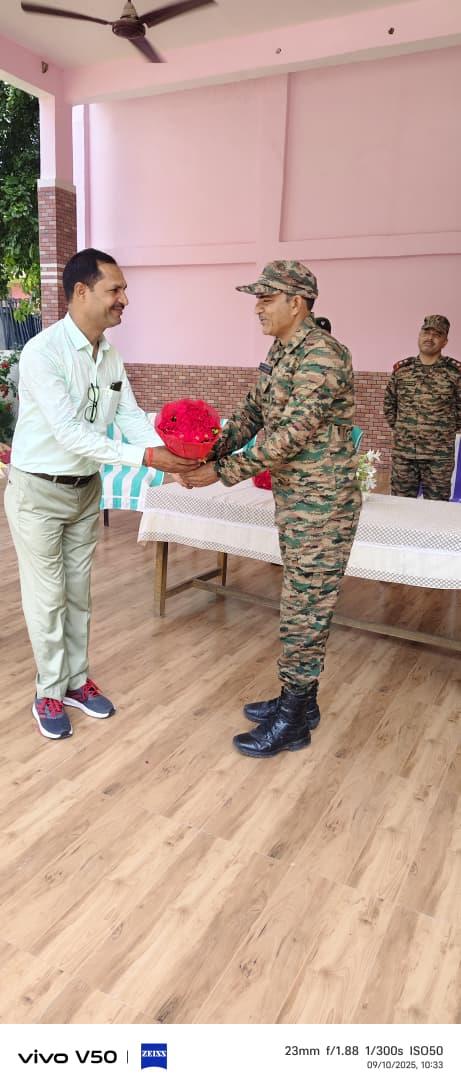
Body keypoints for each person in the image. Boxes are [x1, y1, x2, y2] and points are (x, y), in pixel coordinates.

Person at [4, 248, 199, 741]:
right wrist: (148, 459)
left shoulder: (109, 355)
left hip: (84, 490)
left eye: (124, 290)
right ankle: (48, 691)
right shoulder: (43, 353)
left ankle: (75, 681)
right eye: (115, 289)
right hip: (38, 493)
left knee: (78, 593)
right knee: (48, 598)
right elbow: (70, 433)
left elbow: (129, 416)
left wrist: (174, 459)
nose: (124, 299)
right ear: (81, 292)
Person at [179, 261, 361, 758]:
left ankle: (293, 720)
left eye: (266, 298)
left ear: (296, 303)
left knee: (305, 608)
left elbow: (290, 435)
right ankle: (302, 702)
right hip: (298, 501)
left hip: (323, 506)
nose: (257, 308)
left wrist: (222, 471)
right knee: (302, 601)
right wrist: (209, 447)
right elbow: (253, 413)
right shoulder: (282, 350)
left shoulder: (323, 355)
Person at [383, 315, 461, 501]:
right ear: (419, 335)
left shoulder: (454, 373)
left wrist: (441, 433)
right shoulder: (402, 370)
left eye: (437, 334)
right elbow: (389, 405)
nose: (430, 338)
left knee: (436, 508)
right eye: (426, 332)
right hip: (404, 454)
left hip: (438, 457)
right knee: (400, 505)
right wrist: (404, 430)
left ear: (445, 341)